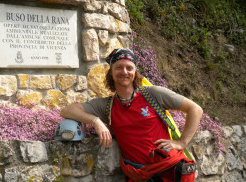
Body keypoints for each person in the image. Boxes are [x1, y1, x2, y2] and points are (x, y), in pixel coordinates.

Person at [60, 48, 203, 182]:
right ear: (111, 72)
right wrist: (95, 121)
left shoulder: (153, 94)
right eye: (119, 67)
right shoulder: (107, 105)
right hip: (139, 175)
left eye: (129, 68)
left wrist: (181, 142)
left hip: (169, 171)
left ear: (135, 71)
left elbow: (195, 109)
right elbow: (67, 111)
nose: (124, 72)